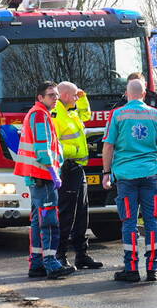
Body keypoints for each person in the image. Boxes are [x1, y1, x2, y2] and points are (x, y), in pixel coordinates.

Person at [102, 79, 157, 282]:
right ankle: (152, 269)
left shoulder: (118, 114)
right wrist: (147, 148)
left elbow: (108, 146)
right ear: (144, 94)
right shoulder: (156, 114)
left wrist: (106, 172)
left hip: (126, 176)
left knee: (129, 223)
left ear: (127, 94)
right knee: (151, 222)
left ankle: (131, 269)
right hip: (149, 175)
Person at [112, 73, 157, 267]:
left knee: (155, 214)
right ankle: (149, 263)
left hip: (154, 168)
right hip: (142, 169)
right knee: (141, 218)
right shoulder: (120, 107)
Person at [14, 81, 75, 280]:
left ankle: (37, 263)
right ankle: (51, 263)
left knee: (37, 221)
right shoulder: (40, 115)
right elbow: (42, 148)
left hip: (36, 176)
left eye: (56, 94)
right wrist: (53, 172)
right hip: (43, 176)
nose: (55, 98)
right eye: (51, 95)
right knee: (49, 221)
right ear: (40, 97)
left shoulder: (37, 113)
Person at [51, 82, 102, 269]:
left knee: (81, 213)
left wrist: (83, 98)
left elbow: (86, 115)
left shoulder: (70, 112)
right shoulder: (56, 115)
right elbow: (54, 144)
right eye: (74, 96)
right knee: (67, 214)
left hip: (77, 168)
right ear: (64, 96)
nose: (76, 98)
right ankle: (60, 255)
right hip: (66, 168)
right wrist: (77, 150)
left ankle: (82, 255)